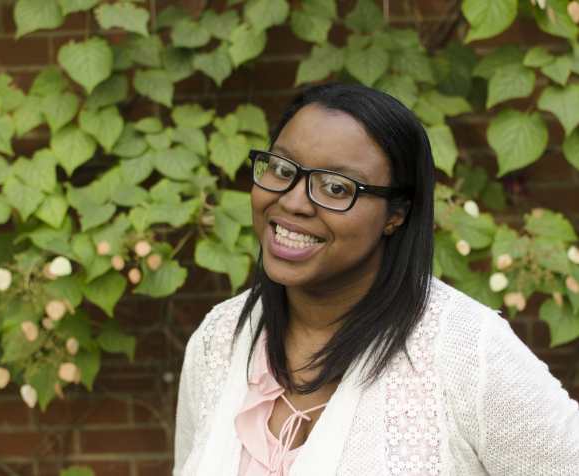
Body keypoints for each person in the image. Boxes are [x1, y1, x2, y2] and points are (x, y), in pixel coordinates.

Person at [172, 82, 579, 476]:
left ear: (396, 214)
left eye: (335, 187)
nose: (292, 201)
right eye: (281, 169)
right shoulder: (219, 341)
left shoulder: (465, 351)